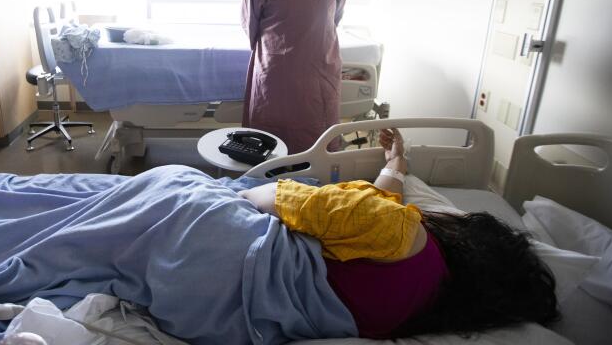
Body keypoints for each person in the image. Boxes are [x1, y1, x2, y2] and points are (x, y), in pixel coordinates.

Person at [238, 128, 560, 339]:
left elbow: (283, 200)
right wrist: (396, 164)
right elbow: (372, 218)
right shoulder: (416, 307)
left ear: (472, 237)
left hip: (248, 251)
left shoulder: (401, 232)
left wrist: (230, 193)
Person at [241, 0, 348, 153]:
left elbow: (335, 16)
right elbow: (250, 21)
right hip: (277, 73)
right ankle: (268, 185)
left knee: (316, 138)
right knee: (270, 141)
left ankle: (314, 187)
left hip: (319, 69)